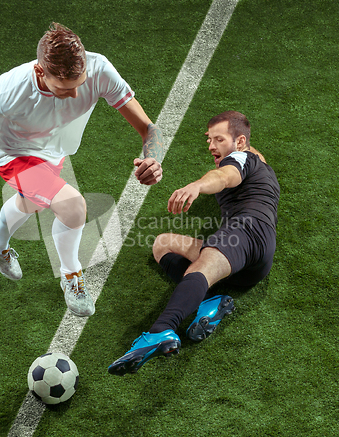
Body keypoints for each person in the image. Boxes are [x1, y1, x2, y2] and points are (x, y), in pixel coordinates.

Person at [0, 22, 164, 318]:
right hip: (13, 153)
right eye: (64, 89)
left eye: (79, 84)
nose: (76, 96)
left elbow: (148, 128)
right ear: (40, 72)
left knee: (34, 201)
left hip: (53, 150)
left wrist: (154, 158)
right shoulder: (8, 89)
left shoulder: (100, 70)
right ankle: (71, 276)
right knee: (73, 206)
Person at [108, 111, 280, 375]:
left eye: (219, 139)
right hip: (254, 262)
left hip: (245, 230)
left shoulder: (239, 159)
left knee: (202, 266)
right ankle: (211, 302)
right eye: (209, 139)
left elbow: (223, 177)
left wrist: (197, 186)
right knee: (163, 244)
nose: (211, 146)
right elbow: (239, 160)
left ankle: (161, 330)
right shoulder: (258, 163)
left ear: (241, 142)